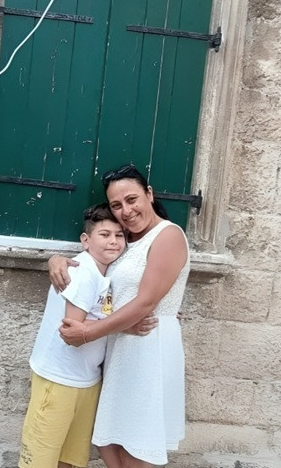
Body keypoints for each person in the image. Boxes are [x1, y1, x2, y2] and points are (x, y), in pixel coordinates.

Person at [50, 164, 190, 468]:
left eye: (132, 199)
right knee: (109, 441)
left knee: (136, 446)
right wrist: (57, 259)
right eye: (116, 205)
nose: (125, 211)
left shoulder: (168, 236)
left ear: (149, 194)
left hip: (149, 347)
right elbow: (94, 261)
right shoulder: (126, 240)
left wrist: (87, 332)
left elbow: (145, 302)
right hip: (120, 346)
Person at [20, 202, 142, 468]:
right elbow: (72, 332)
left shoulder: (105, 272)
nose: (113, 241)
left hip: (86, 380)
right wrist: (125, 325)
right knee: (40, 459)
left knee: (69, 458)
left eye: (119, 235)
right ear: (86, 240)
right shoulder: (84, 272)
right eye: (105, 234)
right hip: (59, 378)